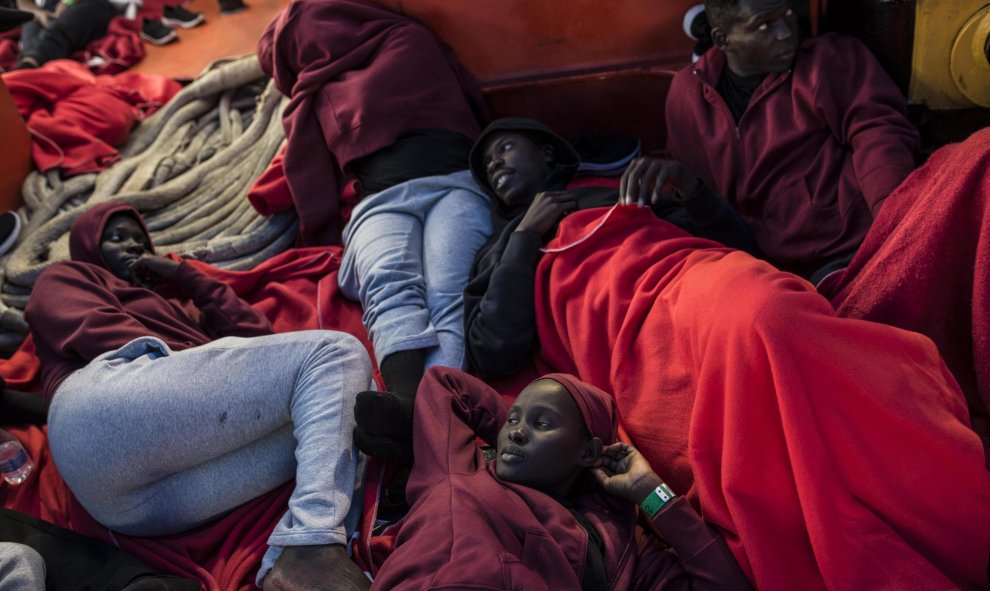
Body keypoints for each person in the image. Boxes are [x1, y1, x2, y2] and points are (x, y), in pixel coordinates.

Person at [636, 0, 990, 448]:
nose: (785, 32)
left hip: (857, 247)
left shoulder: (830, 59)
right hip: (775, 271)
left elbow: (877, 132)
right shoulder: (687, 96)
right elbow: (712, 207)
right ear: (724, 40)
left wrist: (900, 225)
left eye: (786, 15)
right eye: (764, 25)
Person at [23, 202, 374, 591]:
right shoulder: (67, 276)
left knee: (346, 404)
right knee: (336, 354)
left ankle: (294, 560)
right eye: (117, 239)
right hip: (98, 412)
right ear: (88, 245)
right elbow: (95, 330)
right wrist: (196, 356)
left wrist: (186, 277)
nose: (133, 249)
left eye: (141, 242)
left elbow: (259, 338)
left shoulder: (174, 309)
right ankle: (314, 543)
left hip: (135, 507)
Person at [370, 367, 753, 590]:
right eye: (514, 420)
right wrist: (521, 433)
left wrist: (652, 494)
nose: (516, 431)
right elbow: (444, 384)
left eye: (542, 424)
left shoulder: (621, 546)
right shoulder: (458, 466)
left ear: (587, 452)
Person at [463, 117, 757, 379]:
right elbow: (493, 351)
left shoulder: (616, 191)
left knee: (764, 305)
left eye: (505, 148)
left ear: (547, 152)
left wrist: (690, 187)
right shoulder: (497, 249)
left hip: (693, 288)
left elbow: (739, 248)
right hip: (630, 340)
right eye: (488, 166)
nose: (494, 164)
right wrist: (525, 236)